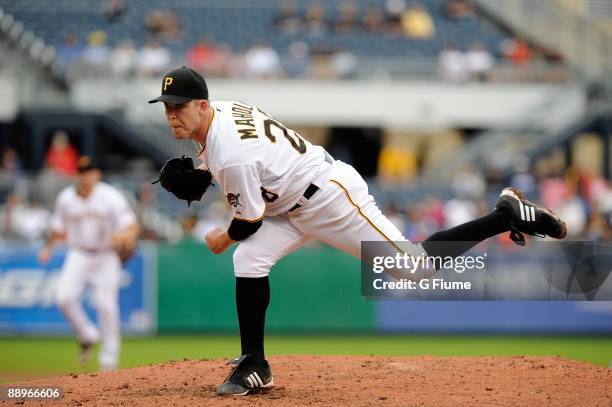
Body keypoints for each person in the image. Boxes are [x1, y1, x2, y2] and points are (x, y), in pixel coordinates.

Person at [148, 66, 567, 396]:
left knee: (413, 268)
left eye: (180, 106)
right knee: (251, 259)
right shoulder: (222, 112)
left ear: (202, 105)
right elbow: (252, 161)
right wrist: (206, 169)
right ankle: (254, 364)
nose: (172, 114)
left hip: (329, 199)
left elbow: (247, 219)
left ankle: (505, 214)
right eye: (167, 106)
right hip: (292, 200)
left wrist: (220, 237)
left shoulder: (229, 154)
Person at [38, 156, 139, 371]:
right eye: (82, 172)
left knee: (107, 306)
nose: (85, 175)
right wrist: (48, 248)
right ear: (77, 174)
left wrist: (126, 237)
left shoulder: (110, 196)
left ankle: (108, 361)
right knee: (64, 298)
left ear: (97, 174)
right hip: (79, 254)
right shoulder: (66, 198)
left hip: (106, 255)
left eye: (89, 171)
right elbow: (57, 226)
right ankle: (87, 334)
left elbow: (130, 224)